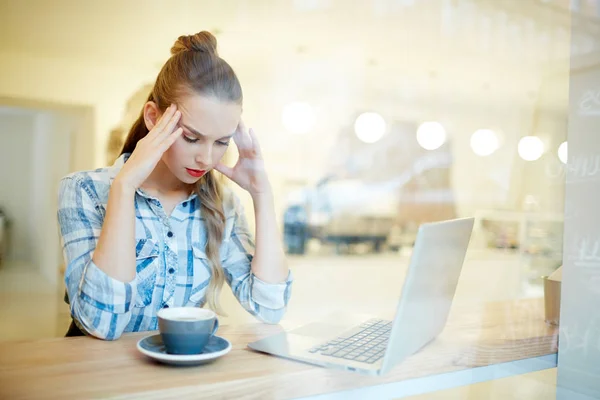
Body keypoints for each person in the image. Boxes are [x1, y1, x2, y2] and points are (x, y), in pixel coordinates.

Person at [57, 31, 293, 340]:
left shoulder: (222, 205)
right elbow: (102, 325)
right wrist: (125, 187)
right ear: (154, 118)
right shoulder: (84, 191)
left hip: (179, 377)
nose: (207, 158)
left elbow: (270, 307)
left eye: (221, 142)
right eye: (191, 137)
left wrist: (263, 196)